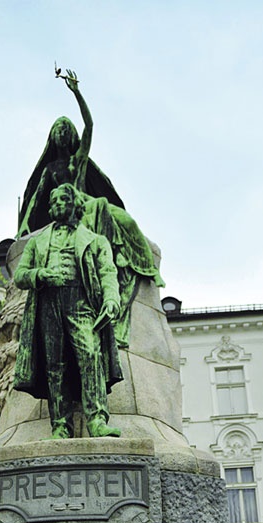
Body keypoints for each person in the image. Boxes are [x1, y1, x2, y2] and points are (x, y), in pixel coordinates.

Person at [17, 69, 164, 349]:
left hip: (90, 206)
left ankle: (146, 265)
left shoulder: (78, 161)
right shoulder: (51, 169)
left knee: (126, 220)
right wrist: (25, 224)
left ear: (70, 135)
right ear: (52, 137)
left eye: (65, 130)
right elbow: (36, 198)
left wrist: (77, 93)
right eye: (57, 130)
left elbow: (91, 126)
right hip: (74, 216)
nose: (62, 134)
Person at [14, 183, 123, 439]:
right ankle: (61, 425)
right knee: (55, 365)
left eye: (63, 199)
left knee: (91, 356)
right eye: (53, 201)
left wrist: (112, 300)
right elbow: (20, 275)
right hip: (49, 304)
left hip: (81, 302)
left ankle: (97, 419)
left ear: (74, 203)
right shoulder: (38, 242)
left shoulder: (95, 240)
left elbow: (108, 272)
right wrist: (39, 274)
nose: (57, 205)